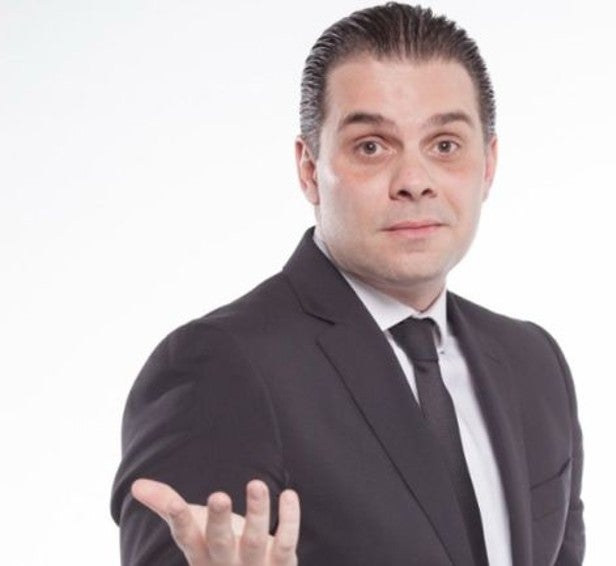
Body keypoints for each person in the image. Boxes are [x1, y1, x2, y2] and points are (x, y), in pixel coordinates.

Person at [110, 3, 585, 565]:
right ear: (309, 168)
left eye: (445, 145)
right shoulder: (219, 367)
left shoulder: (533, 362)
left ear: (488, 165)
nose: (414, 181)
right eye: (371, 146)